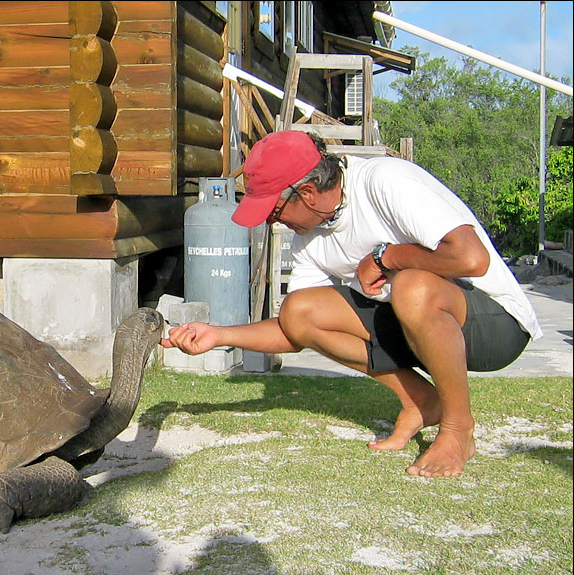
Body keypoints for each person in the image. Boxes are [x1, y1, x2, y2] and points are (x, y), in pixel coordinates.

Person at [162, 130, 542, 478]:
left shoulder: (385, 181)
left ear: (307, 194)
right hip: (419, 327)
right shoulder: (310, 240)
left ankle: (459, 429)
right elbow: (292, 330)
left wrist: (387, 257)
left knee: (410, 286)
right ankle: (421, 400)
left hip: (494, 323)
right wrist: (219, 334)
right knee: (300, 309)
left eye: (274, 214)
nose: (275, 224)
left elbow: (471, 259)